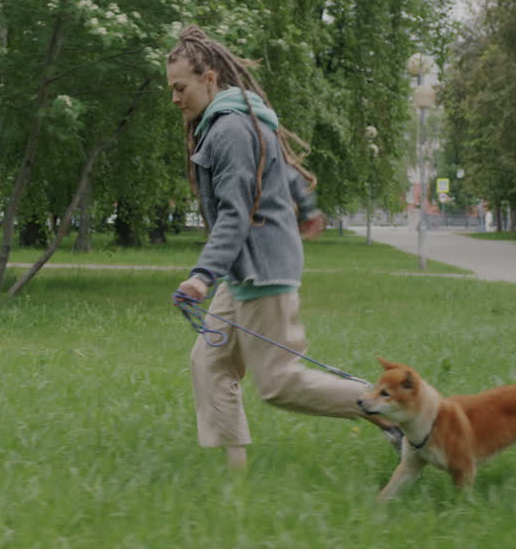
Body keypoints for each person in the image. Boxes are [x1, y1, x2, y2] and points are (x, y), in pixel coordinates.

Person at [165, 25, 401, 470]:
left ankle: (388, 412)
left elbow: (235, 214)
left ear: (210, 78)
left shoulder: (229, 130)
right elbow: (285, 171)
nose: (175, 99)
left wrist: (201, 275)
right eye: (172, 90)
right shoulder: (245, 119)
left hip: (261, 269)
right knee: (209, 361)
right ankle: (234, 473)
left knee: (278, 384)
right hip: (246, 268)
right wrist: (306, 205)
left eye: (181, 88)